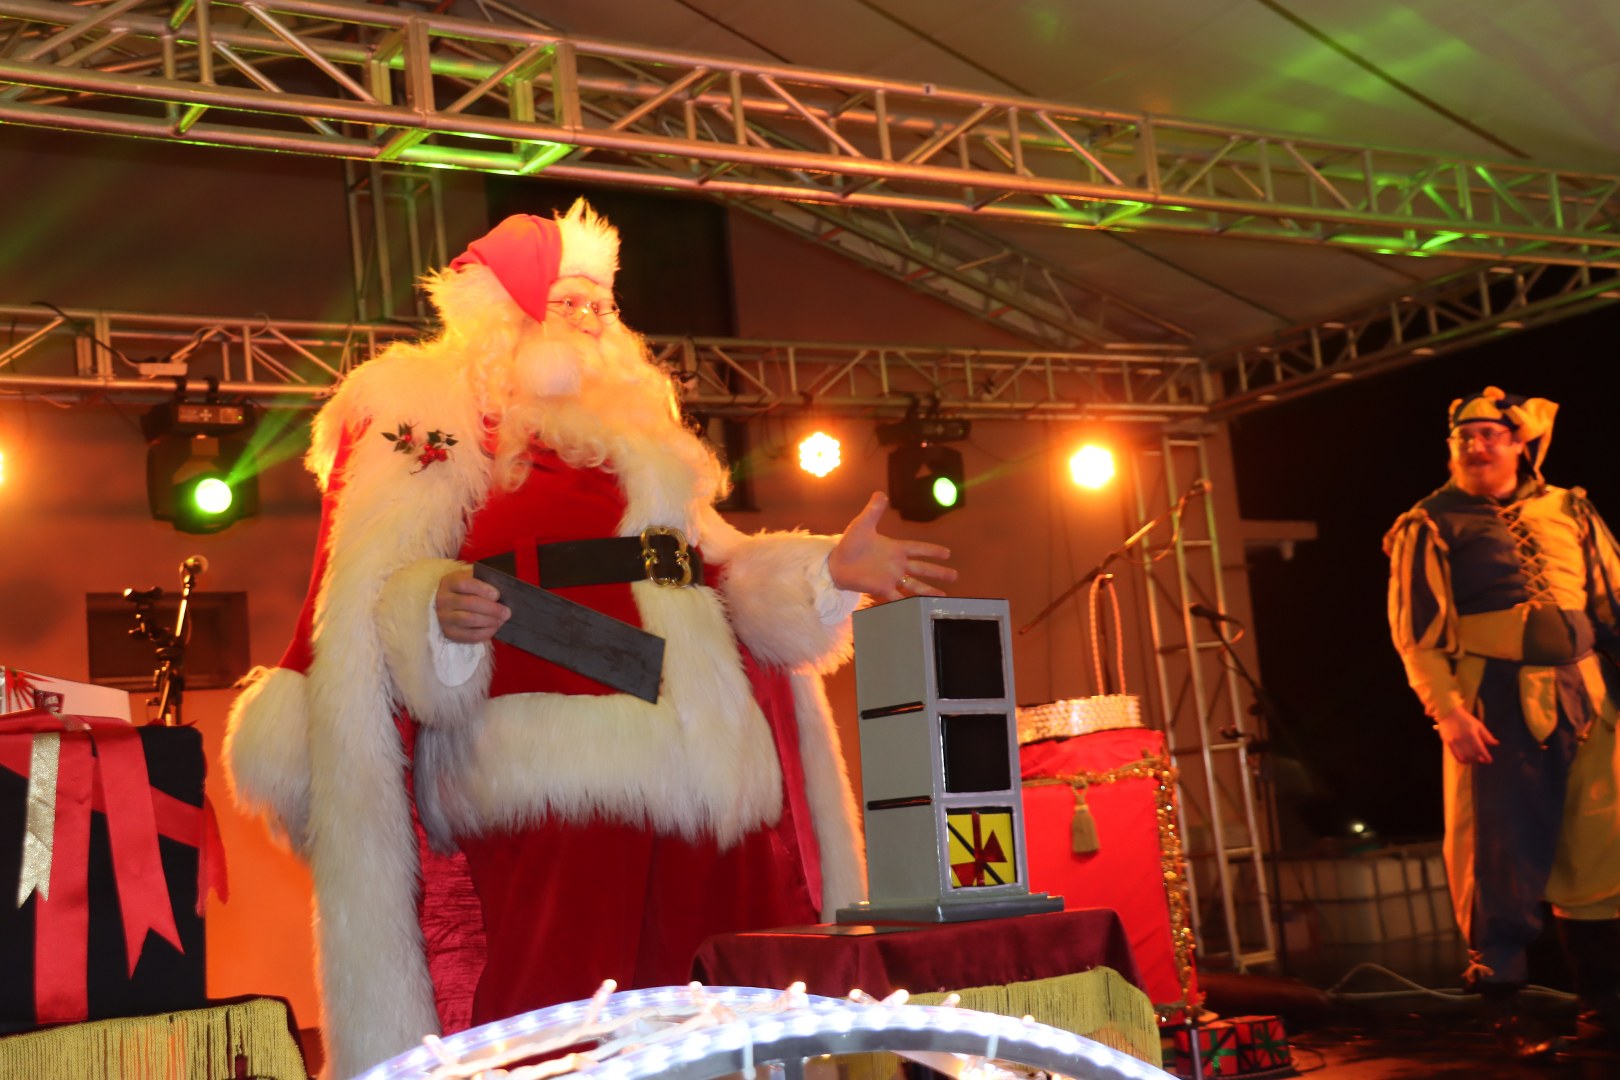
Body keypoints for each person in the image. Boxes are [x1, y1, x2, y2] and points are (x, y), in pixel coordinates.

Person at [224, 200, 955, 1077]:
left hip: (707, 761)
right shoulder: (428, 412)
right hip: (548, 762)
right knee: (563, 1010)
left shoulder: (642, 441)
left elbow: (718, 574)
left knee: (732, 1005)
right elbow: (367, 591)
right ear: (501, 314)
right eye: (568, 301)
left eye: (602, 304)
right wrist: (437, 611)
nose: (592, 320)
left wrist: (828, 570)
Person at [1385, 386, 1620, 1061]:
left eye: (1490, 434)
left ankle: (1603, 1006)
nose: (1476, 446)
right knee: (1498, 853)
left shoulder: (1568, 507)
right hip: (1494, 701)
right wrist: (1448, 711)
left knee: (1600, 848)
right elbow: (1417, 635)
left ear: (1519, 442)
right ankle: (1506, 1009)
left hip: (1587, 695)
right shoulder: (1430, 522)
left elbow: (1611, 602)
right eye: (1464, 437)